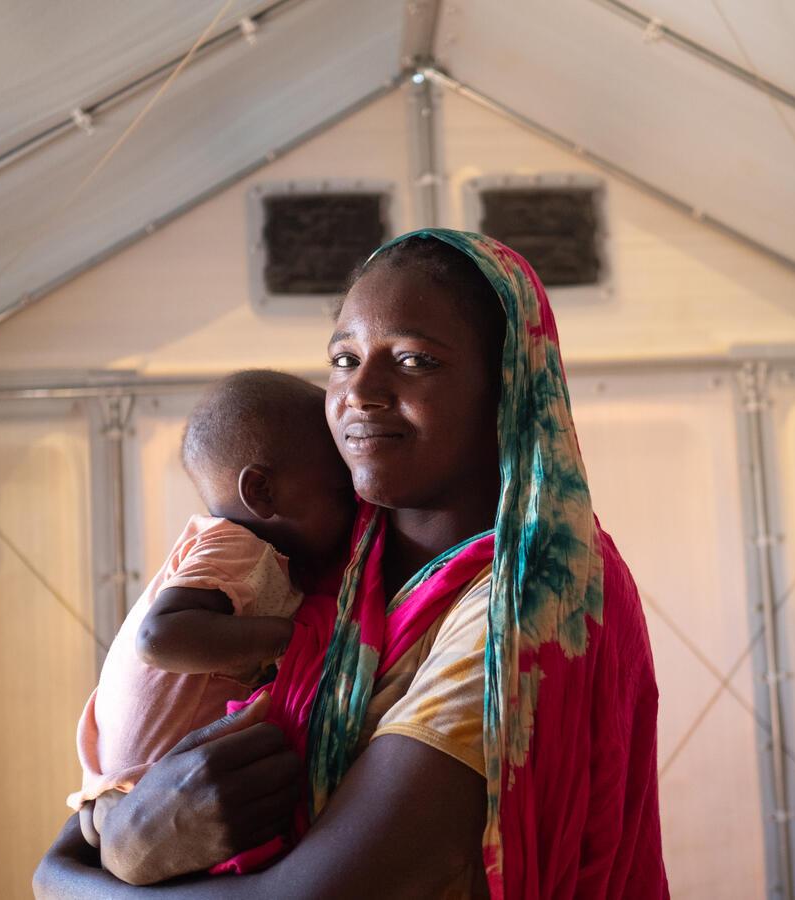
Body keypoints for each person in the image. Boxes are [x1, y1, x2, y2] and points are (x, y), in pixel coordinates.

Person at [34, 229, 669, 899]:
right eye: (344, 357)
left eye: (415, 361)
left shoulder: (531, 600)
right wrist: (124, 832)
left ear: (508, 387)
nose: (360, 390)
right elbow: (137, 737)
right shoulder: (312, 551)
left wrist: (80, 874)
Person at [68, 370, 355, 850]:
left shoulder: (256, 557)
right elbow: (161, 639)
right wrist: (289, 637)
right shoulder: (236, 546)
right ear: (262, 493)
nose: (355, 501)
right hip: (147, 790)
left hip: (125, 795)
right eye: (339, 489)